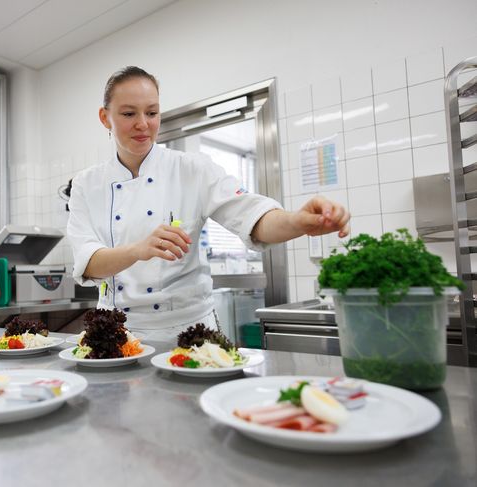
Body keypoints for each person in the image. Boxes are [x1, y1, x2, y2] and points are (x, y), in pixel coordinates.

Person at [66, 66, 350, 340]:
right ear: (105, 117)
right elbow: (88, 262)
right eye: (129, 113)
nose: (143, 124)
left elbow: (252, 216)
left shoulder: (193, 169)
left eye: (152, 113)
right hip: (117, 330)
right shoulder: (87, 184)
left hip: (187, 330)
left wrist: (296, 221)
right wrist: (139, 250)